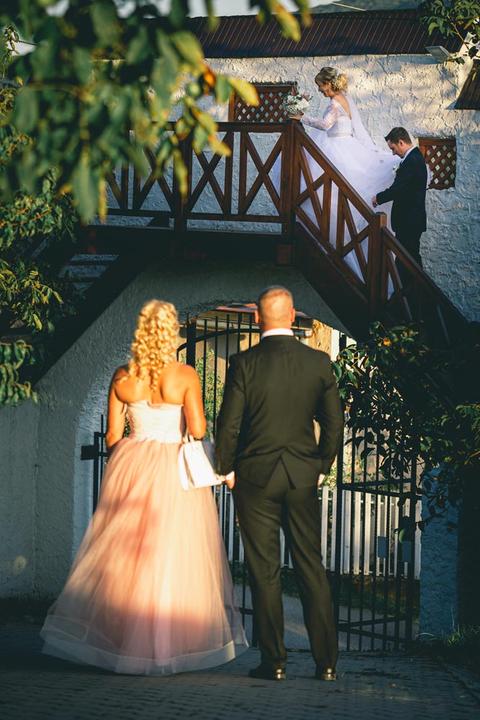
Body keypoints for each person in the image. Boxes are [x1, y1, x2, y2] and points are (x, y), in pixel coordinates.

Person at [41, 300, 247, 675]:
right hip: (172, 468)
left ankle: (121, 639)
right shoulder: (185, 375)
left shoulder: (122, 376)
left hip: (132, 464)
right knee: (172, 550)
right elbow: (198, 429)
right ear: (172, 332)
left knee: (125, 552)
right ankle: (169, 642)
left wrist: (132, 453)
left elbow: (112, 435)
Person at [215, 286, 344, 682]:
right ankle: (326, 664)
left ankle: (274, 662)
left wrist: (226, 469)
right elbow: (335, 422)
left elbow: (229, 424)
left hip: (254, 478)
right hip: (302, 477)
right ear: (292, 316)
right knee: (310, 566)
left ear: (257, 317)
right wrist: (321, 466)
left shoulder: (243, 363)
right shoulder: (318, 362)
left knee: (264, 570)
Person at [279, 66, 398, 279]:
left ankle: (333, 238)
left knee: (327, 191)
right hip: (346, 145)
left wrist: (300, 117)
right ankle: (334, 236)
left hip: (337, 148)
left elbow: (326, 125)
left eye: (320, 86)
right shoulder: (345, 98)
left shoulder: (335, 102)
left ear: (328, 83)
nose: (319, 90)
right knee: (328, 192)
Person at [372, 126, 427, 280]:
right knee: (407, 260)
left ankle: (414, 292)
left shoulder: (412, 161)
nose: (393, 153)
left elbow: (398, 189)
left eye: (393, 148)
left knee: (408, 261)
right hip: (410, 221)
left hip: (409, 221)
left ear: (401, 142)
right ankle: (410, 291)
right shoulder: (413, 158)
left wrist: (379, 198)